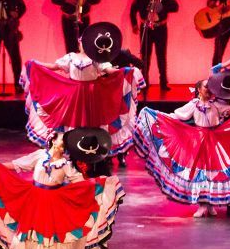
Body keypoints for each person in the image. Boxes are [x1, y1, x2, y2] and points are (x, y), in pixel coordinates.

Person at [0, 128, 125, 249]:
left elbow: (79, 182)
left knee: (49, 236)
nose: (64, 142)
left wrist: (99, 185)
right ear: (53, 141)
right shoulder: (39, 155)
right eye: (61, 139)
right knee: (31, 234)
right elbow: (18, 165)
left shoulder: (66, 164)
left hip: (53, 202)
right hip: (34, 199)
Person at [133, 69, 230, 218]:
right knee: (199, 174)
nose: (208, 89)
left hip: (215, 140)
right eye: (205, 86)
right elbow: (178, 116)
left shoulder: (217, 104)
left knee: (213, 173)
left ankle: (210, 204)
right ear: (199, 90)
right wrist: (159, 116)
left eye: (210, 86)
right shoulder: (194, 104)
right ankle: (202, 205)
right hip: (198, 141)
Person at [22, 22, 145, 166]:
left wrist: (126, 71)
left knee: (92, 122)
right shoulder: (71, 57)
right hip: (74, 94)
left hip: (92, 95)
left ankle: (92, 152)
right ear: (79, 43)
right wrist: (37, 64)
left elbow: (110, 70)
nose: (82, 44)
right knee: (74, 122)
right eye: (81, 41)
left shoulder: (96, 58)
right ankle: (74, 152)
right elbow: (55, 67)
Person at [130, 0, 179, 91]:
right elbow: (133, 9)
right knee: (145, 56)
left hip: (160, 27)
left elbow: (175, 7)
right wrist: (134, 24)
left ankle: (163, 83)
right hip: (146, 27)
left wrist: (162, 4)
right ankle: (144, 83)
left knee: (161, 56)